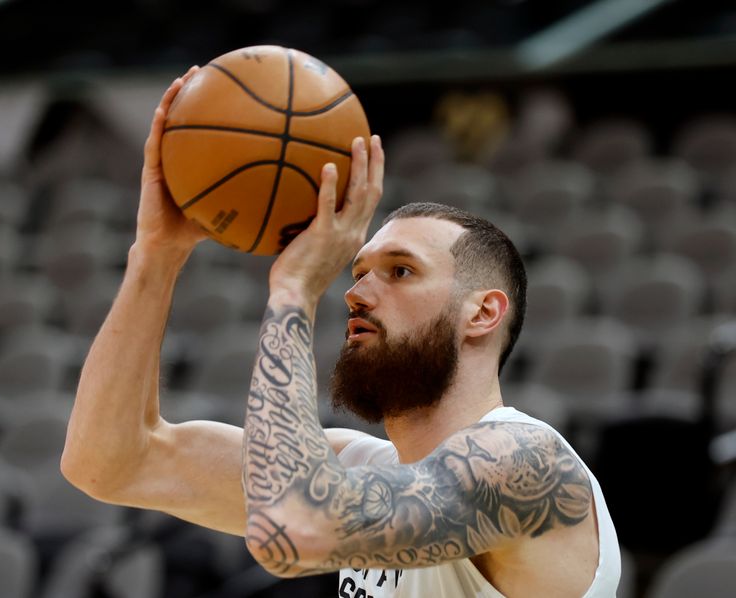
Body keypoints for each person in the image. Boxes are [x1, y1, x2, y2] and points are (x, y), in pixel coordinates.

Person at [62, 68, 620, 597]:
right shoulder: (355, 468)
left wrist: (295, 290)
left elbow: (295, 530)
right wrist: (156, 257)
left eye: (400, 271)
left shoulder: (525, 460)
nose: (355, 292)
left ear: (483, 313)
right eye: (356, 273)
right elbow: (109, 464)